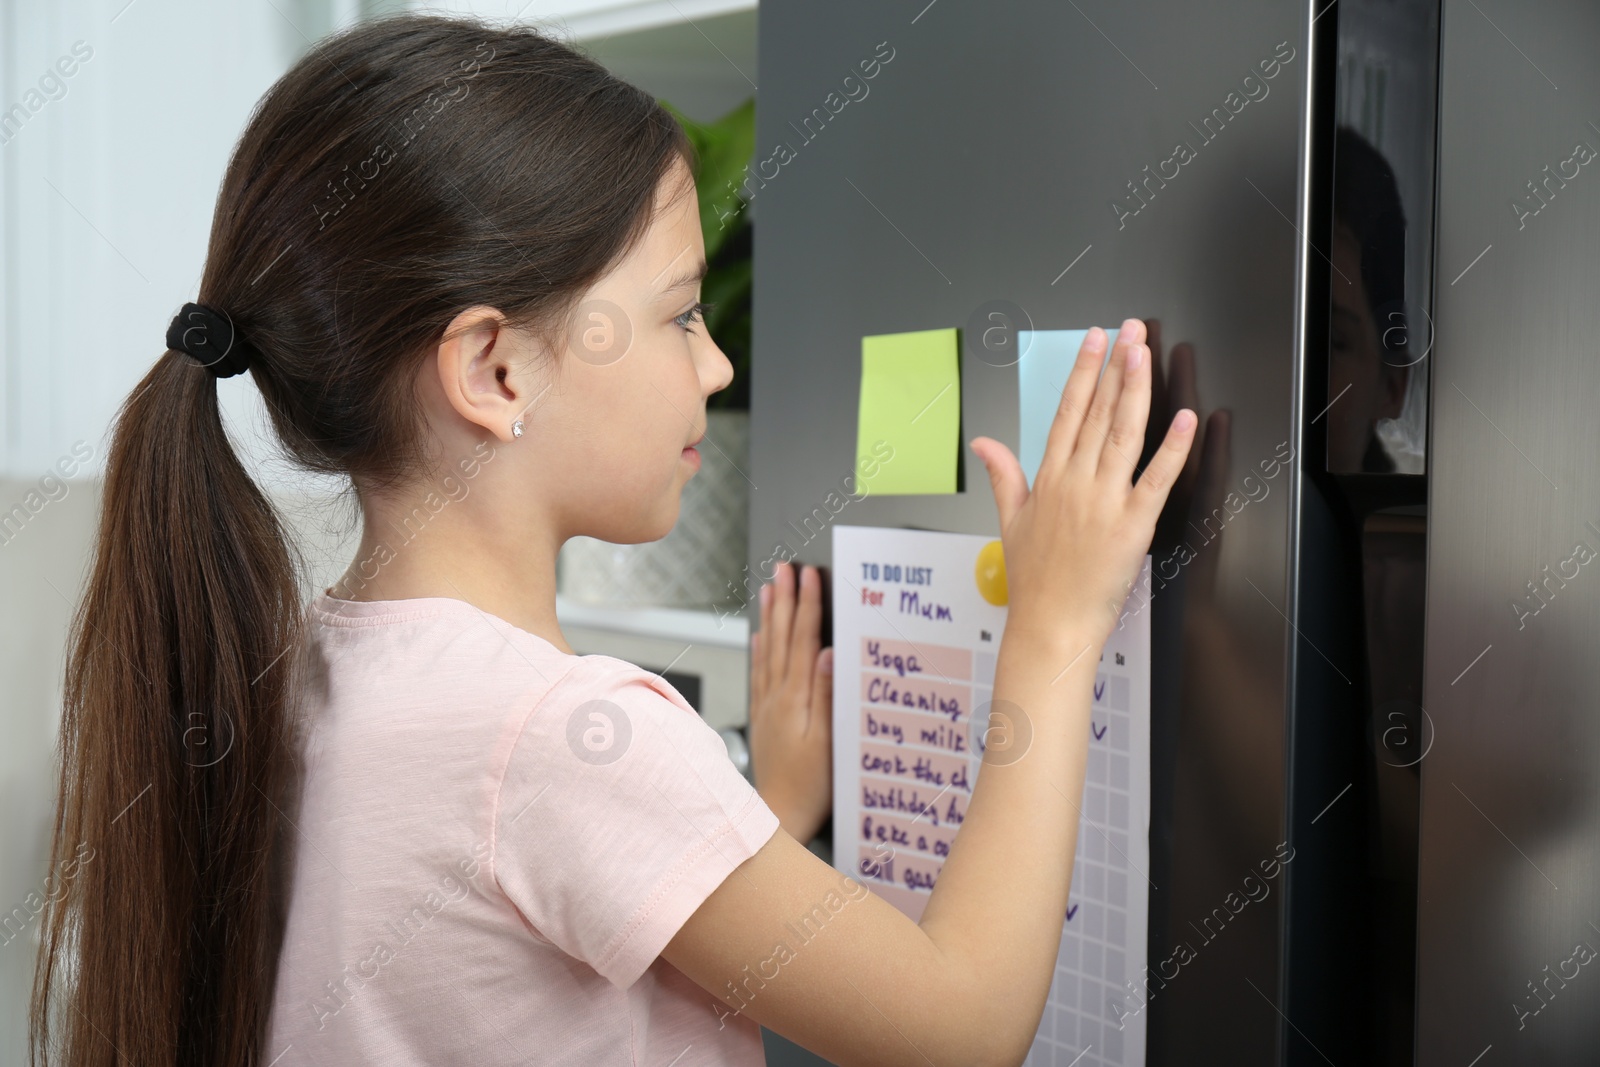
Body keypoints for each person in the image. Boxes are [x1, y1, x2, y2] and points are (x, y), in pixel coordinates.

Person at [30, 14, 1194, 1066]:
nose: (717, 361)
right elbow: (961, 1026)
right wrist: (1049, 625)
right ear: (494, 369)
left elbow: (521, 924)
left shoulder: (310, 671)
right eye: (679, 314)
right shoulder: (561, 739)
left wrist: (760, 812)